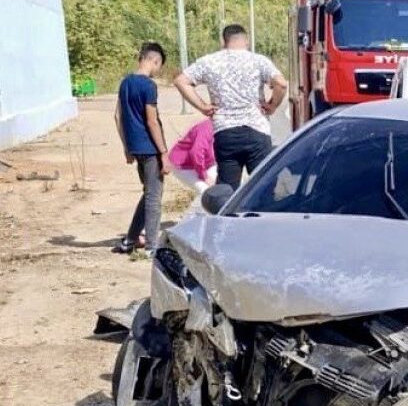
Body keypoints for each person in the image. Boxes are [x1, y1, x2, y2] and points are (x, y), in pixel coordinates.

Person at [173, 25, 289, 190]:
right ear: (246, 41)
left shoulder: (209, 61)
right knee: (263, 188)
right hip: (257, 130)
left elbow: (181, 81)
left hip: (226, 132)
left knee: (227, 189)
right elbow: (281, 84)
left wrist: (203, 106)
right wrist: (272, 105)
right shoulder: (259, 61)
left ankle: (229, 206)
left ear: (224, 41)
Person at [113, 42, 169, 255]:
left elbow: (117, 116)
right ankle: (152, 247)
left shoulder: (125, 83)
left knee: (148, 194)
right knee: (154, 198)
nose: (158, 71)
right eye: (159, 66)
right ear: (154, 61)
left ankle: (130, 240)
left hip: (135, 148)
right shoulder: (148, 86)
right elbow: (152, 121)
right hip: (151, 148)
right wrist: (164, 152)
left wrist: (126, 147)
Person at [166, 118, 217, 210]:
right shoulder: (206, 128)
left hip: (206, 163)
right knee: (205, 191)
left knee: (218, 187)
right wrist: (204, 176)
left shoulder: (223, 127)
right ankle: (195, 215)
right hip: (183, 165)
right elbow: (196, 152)